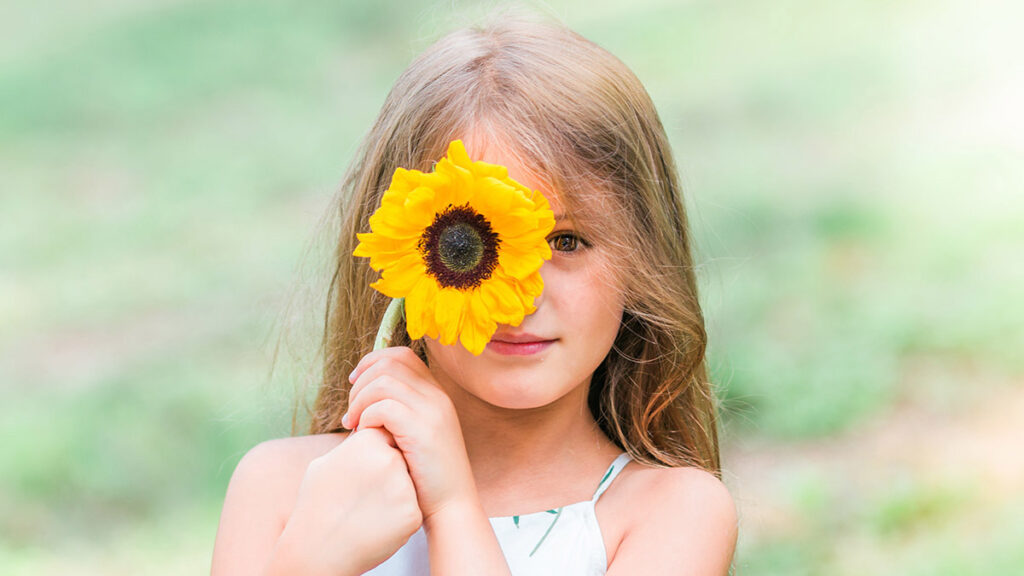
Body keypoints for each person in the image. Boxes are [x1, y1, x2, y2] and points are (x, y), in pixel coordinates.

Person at [211, 14, 737, 576]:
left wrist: (453, 507)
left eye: (566, 240)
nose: (522, 297)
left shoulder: (672, 513)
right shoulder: (284, 490)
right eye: (473, 245)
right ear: (407, 249)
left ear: (641, 257)